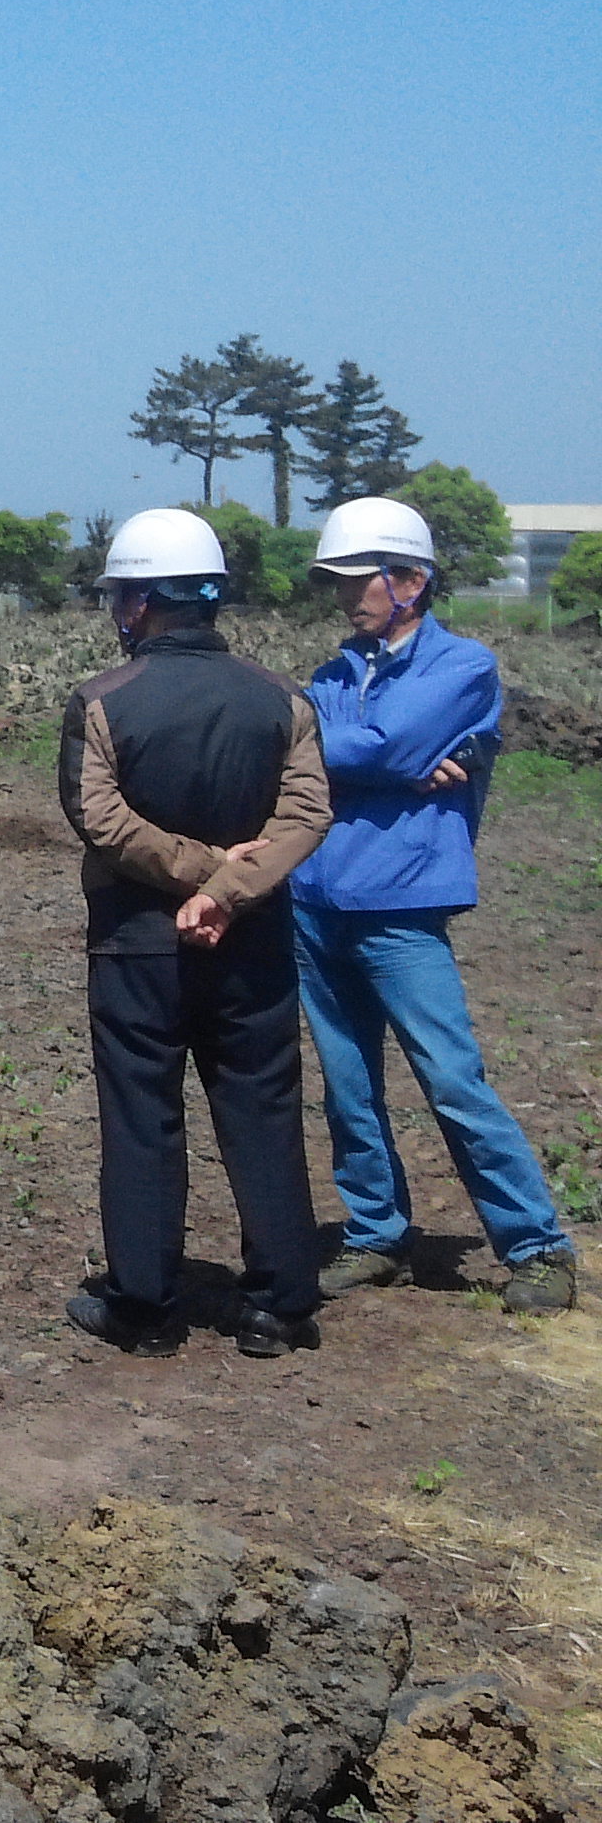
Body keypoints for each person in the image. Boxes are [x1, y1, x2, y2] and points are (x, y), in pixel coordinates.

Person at [53, 508, 334, 1358]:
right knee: (263, 1108)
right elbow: (308, 812)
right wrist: (231, 887)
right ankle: (280, 1305)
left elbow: (97, 817)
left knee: (142, 1115)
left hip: (138, 946)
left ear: (138, 604)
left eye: (119, 598)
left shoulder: (101, 703)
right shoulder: (285, 700)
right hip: (251, 946)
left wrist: (194, 875)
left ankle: (144, 1306)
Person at [289, 496, 575, 1315]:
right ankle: (376, 1232)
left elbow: (371, 745)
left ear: (409, 581)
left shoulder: (464, 667)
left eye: (357, 582)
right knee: (346, 1084)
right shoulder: (333, 674)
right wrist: (379, 761)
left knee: (452, 1079)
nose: (345, 598)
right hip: (315, 897)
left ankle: (537, 1245)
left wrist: (368, 755)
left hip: (402, 905)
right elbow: (327, 753)